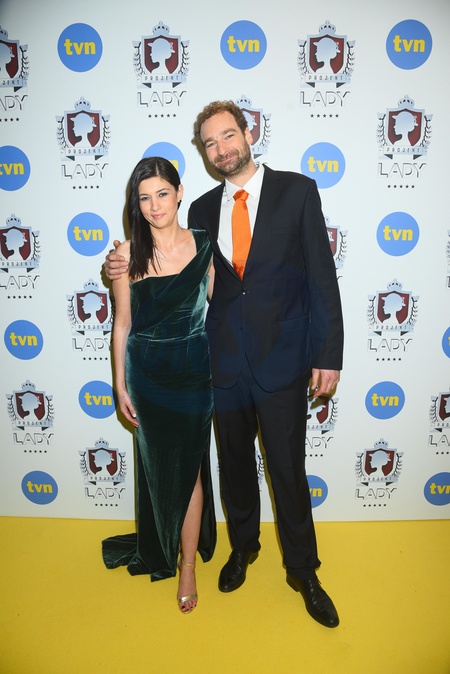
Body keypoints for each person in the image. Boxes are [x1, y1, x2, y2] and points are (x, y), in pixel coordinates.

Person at [104, 102, 344, 628]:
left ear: (247, 133)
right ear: (204, 152)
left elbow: (322, 277)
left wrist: (328, 354)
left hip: (283, 360)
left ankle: (303, 572)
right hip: (220, 364)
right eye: (210, 143)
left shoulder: (297, 191)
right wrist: (117, 260)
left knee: (287, 471)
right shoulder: (200, 211)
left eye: (228, 136)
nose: (221, 149)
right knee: (234, 468)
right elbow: (173, 272)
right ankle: (243, 549)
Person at [101, 156, 216, 615]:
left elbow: (221, 300)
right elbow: (122, 323)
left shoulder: (204, 244)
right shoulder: (126, 256)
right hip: (147, 377)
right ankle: (163, 541)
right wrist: (119, 385)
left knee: (189, 472)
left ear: (179, 192)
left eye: (162, 194)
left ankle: (186, 566)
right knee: (160, 471)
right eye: (145, 198)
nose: (155, 206)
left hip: (194, 373)